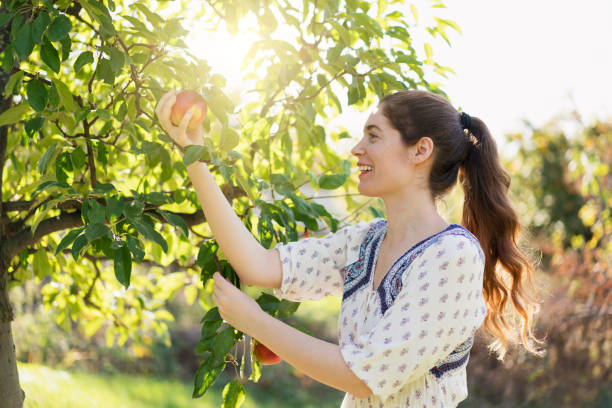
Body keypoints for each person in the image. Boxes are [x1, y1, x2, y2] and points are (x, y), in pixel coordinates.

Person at [155, 89, 544, 407]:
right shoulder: (366, 241)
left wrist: (256, 322)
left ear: (420, 151)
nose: (357, 148)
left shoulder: (453, 257)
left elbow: (362, 377)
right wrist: (195, 154)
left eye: (374, 136)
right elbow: (258, 265)